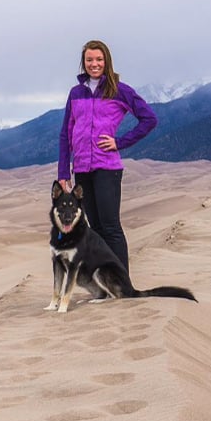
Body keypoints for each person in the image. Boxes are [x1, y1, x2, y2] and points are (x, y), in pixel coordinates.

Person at [57, 39, 157, 275]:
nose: (94, 64)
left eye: (99, 59)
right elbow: (65, 134)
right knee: (96, 229)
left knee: (110, 227)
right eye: (89, 59)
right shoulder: (76, 93)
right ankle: (106, 281)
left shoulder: (119, 89)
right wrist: (63, 173)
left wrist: (119, 142)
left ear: (107, 61)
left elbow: (149, 119)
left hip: (107, 168)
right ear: (84, 62)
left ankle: (122, 283)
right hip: (81, 169)